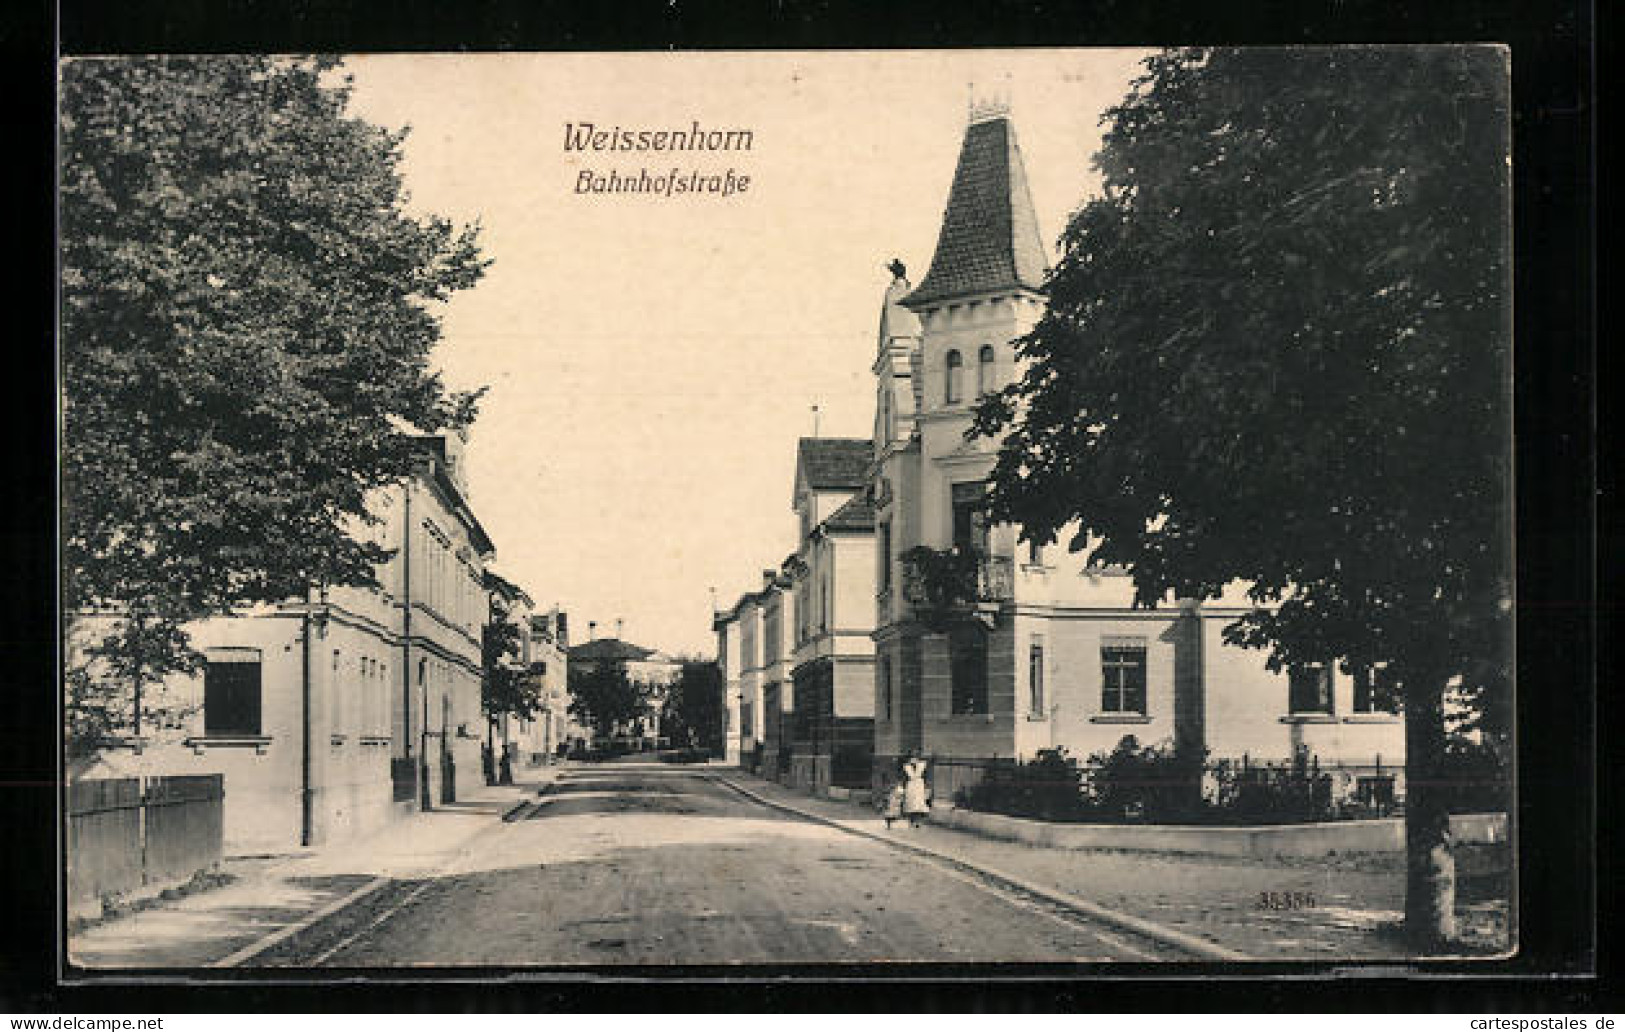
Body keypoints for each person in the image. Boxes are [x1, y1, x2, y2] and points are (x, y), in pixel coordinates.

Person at [901, 751, 930, 829]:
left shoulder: (922, 765)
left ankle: (918, 821)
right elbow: (904, 778)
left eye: (915, 757)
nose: (914, 759)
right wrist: (903, 787)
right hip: (910, 785)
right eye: (912, 757)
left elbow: (926, 776)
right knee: (910, 803)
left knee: (919, 803)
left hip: (919, 785)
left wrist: (927, 787)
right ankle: (911, 821)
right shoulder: (906, 767)